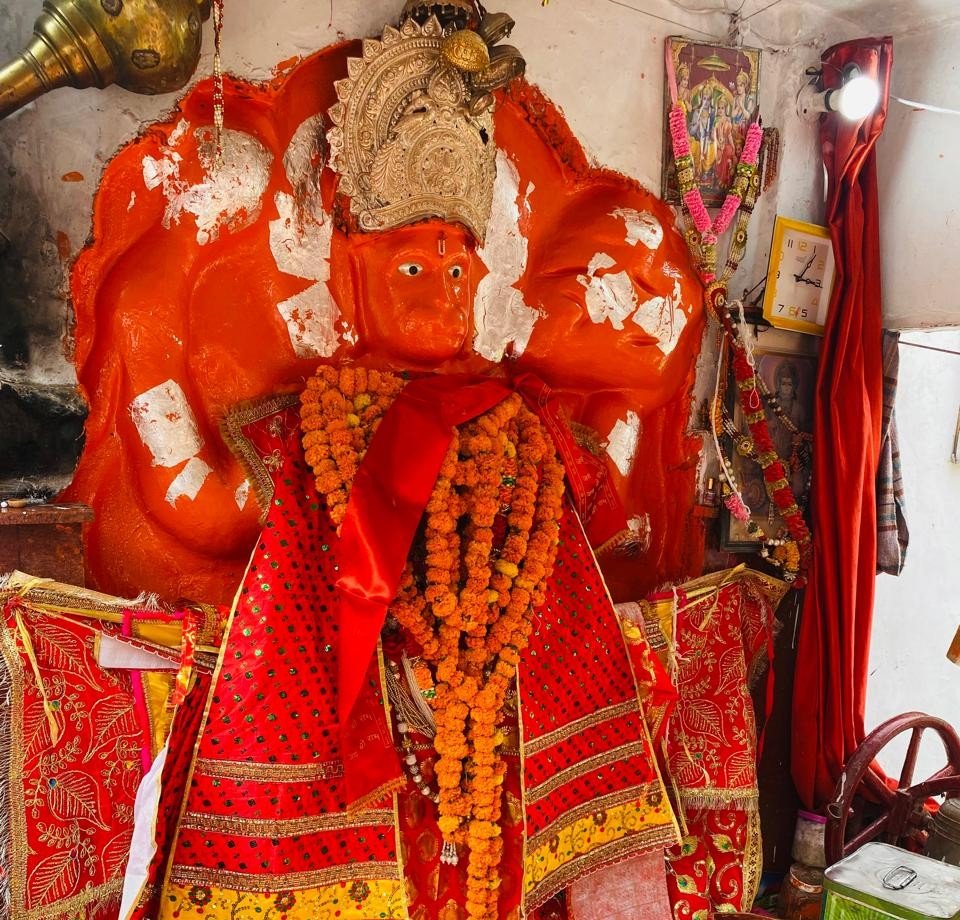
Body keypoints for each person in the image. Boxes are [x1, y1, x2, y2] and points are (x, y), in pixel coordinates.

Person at [111, 8, 701, 919]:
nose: (444, 294)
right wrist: (145, 339)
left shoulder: (525, 429)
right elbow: (205, 511)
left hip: (503, 749)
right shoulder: (310, 430)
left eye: (457, 272)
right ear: (350, 273)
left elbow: (608, 511)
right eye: (413, 272)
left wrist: (630, 395)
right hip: (350, 757)